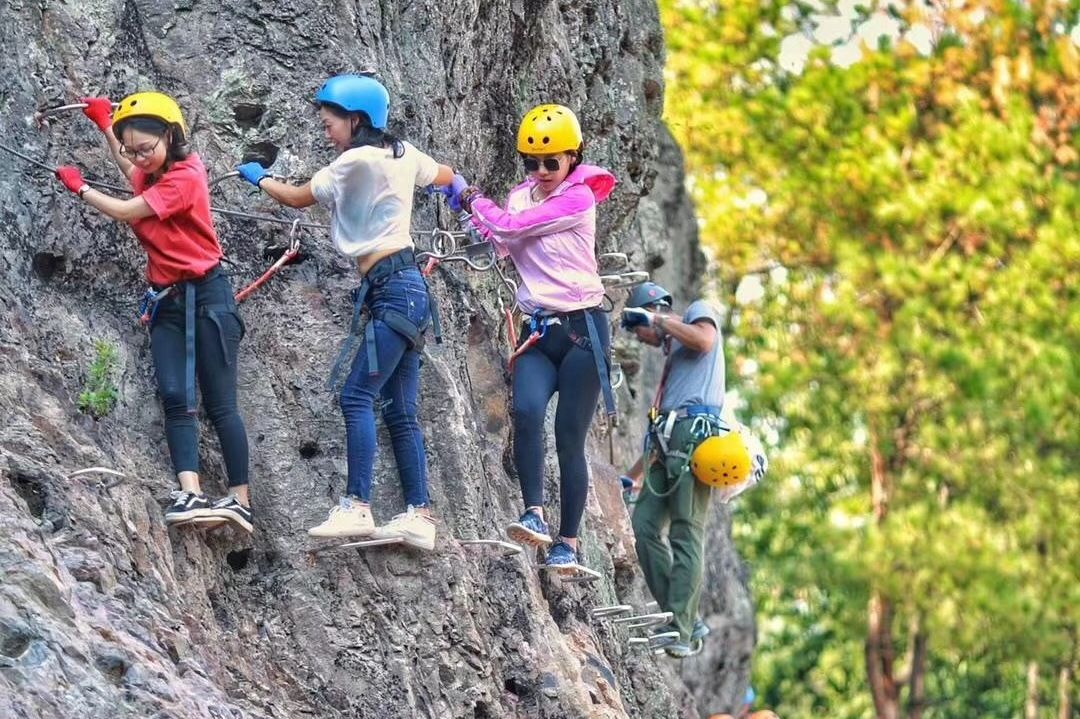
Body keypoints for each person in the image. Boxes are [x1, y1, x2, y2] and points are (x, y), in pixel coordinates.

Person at [234, 74, 454, 550]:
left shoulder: (352, 161)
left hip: (393, 292)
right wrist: (458, 192)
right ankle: (419, 516)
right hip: (407, 291)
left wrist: (259, 177)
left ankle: (357, 505)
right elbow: (445, 175)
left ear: (356, 121)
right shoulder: (404, 153)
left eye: (330, 122)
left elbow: (295, 198)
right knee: (400, 411)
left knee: (356, 396)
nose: (325, 131)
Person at [54, 93, 253, 531]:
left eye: (147, 147)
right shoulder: (152, 172)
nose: (139, 157)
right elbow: (132, 174)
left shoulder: (185, 176)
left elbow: (127, 210)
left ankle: (240, 500)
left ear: (170, 136)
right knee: (176, 397)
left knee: (221, 404)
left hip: (207, 297)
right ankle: (190, 491)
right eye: (133, 148)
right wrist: (105, 126)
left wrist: (81, 187)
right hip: (167, 301)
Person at [442, 103, 617, 572]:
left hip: (583, 330)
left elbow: (511, 226)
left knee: (569, 439)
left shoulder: (579, 198)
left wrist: (471, 195)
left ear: (574, 158)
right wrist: (465, 216)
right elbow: (500, 243)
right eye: (531, 162)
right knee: (525, 410)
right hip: (540, 329)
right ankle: (534, 513)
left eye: (551, 162)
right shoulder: (521, 197)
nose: (541, 171)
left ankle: (569, 542)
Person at [618, 281, 726, 656]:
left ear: (654, 311)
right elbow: (660, 432)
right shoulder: (674, 358)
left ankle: (680, 628)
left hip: (695, 438)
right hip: (669, 442)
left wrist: (658, 319)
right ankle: (682, 616)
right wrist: (631, 478)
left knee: (685, 531)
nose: (639, 337)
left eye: (637, 328)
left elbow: (705, 341)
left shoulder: (697, 312)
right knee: (643, 526)